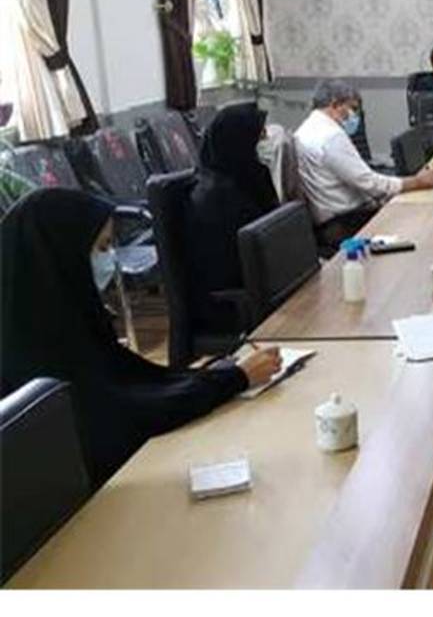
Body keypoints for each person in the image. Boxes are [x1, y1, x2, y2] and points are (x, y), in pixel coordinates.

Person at [0, 188, 282, 488]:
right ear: (64, 256)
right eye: (102, 247)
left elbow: (128, 379)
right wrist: (234, 378)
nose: (110, 258)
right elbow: (125, 417)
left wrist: (205, 377)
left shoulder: (56, 314)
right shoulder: (35, 348)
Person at [295, 79, 433, 251]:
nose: (355, 116)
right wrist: (417, 182)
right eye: (352, 108)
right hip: (346, 223)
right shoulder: (330, 137)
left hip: (327, 221)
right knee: (420, 225)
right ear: (335, 104)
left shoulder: (305, 130)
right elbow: (370, 183)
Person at [183, 102, 280, 334]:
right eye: (259, 137)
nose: (265, 142)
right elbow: (231, 265)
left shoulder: (248, 177)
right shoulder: (213, 197)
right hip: (235, 304)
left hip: (267, 282)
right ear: (239, 142)